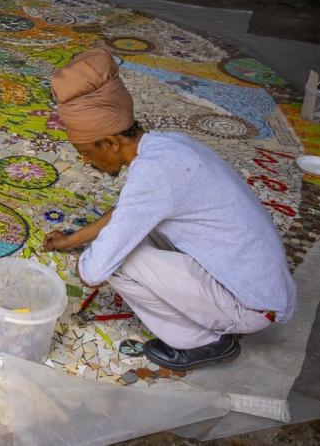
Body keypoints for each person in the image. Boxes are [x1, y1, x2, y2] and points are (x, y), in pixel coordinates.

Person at [43, 48, 296, 370]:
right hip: (261, 286)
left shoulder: (154, 174)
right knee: (129, 234)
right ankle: (208, 321)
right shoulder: (166, 145)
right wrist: (72, 238)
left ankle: (201, 342)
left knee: (115, 260)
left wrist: (83, 261)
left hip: (253, 306)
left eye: (85, 153)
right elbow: (127, 211)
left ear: (109, 143)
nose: (85, 162)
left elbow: (93, 272)